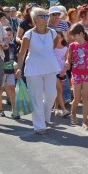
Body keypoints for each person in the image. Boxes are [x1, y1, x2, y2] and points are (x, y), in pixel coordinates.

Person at [15, 7, 60, 135]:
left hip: (50, 67)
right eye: (42, 16)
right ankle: (39, 125)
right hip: (33, 69)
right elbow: (22, 53)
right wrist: (18, 68)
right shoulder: (28, 35)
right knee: (37, 97)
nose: (46, 18)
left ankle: (45, 118)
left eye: (46, 15)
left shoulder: (53, 33)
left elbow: (54, 46)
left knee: (52, 95)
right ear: (35, 19)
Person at [65, 23, 88, 129]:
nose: (73, 38)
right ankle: (73, 113)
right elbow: (69, 58)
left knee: (85, 98)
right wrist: (66, 63)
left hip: (87, 74)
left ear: (81, 34)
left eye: (74, 36)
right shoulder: (72, 46)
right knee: (77, 98)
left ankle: (84, 122)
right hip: (76, 74)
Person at [0, 26, 17, 118]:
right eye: (6, 35)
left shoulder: (13, 45)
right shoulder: (0, 45)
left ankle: (14, 110)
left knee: (12, 88)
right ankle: (0, 109)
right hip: (1, 70)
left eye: (10, 35)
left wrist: (17, 68)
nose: (8, 37)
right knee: (0, 90)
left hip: (10, 70)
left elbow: (15, 57)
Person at [52, 30, 70, 117]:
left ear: (62, 38)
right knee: (59, 90)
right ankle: (63, 109)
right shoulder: (52, 48)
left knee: (59, 91)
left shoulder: (65, 48)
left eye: (58, 37)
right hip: (53, 72)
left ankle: (55, 108)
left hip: (62, 72)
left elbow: (67, 60)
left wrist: (64, 71)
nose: (56, 39)